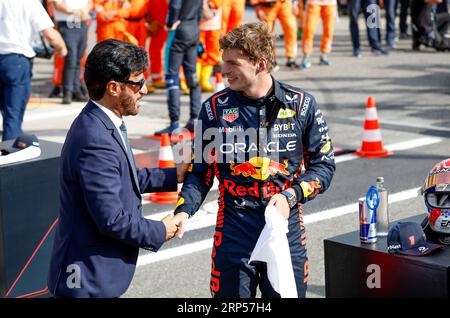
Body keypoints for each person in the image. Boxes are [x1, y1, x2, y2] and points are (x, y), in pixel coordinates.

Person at [173, 22, 336, 298]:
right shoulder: (214, 109)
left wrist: (291, 196)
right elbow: (200, 172)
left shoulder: (301, 105)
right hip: (234, 229)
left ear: (260, 64)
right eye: (224, 62)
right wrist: (183, 209)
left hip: (285, 228)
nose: (223, 71)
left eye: (232, 63)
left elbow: (324, 165)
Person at [47, 39, 186, 298]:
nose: (144, 90)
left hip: (93, 274)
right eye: (137, 83)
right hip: (87, 279)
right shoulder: (95, 138)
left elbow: (121, 177)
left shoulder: (102, 121)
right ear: (113, 87)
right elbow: (111, 219)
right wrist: (160, 230)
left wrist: (174, 175)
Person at [0, 0, 67, 141]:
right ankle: (11, 155)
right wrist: (62, 48)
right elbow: (50, 34)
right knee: (13, 113)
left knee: (8, 110)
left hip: (8, 58)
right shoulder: (30, 2)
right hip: (16, 60)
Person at [154, 0, 203, 135]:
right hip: (194, 29)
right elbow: (200, 9)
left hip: (179, 29)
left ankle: (174, 123)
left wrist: (170, 23)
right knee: (192, 75)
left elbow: (175, 6)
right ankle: (195, 119)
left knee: (172, 76)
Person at [52, 0, 92, 104]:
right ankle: (67, 91)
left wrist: (85, 10)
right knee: (71, 58)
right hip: (67, 21)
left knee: (78, 58)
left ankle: (75, 89)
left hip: (81, 21)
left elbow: (90, 3)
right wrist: (74, 11)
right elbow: (57, 4)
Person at [250, 0, 301, 68]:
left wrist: (295, 4)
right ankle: (271, 58)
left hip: (285, 4)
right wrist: (257, 8)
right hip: (268, 6)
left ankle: (291, 58)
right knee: (267, 32)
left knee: (291, 29)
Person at [300, 0, 337, 68]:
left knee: (329, 30)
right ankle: (306, 55)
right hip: (313, 2)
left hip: (330, 3)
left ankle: (324, 54)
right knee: (309, 29)